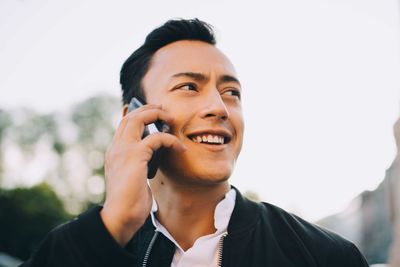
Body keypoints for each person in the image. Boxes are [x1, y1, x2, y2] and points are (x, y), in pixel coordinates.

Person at [21, 18, 369, 267]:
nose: (219, 107)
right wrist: (115, 223)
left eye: (231, 92)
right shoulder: (91, 245)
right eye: (189, 86)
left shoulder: (324, 256)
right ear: (135, 117)